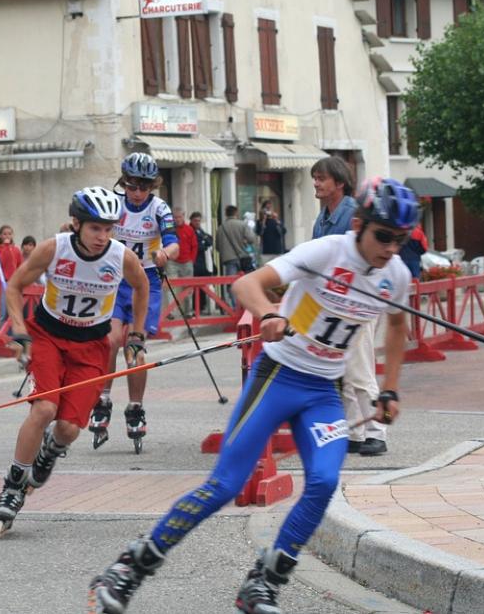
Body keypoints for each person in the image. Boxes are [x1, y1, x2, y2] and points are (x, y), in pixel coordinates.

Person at [89, 177, 418, 614]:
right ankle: (129, 569)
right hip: (279, 376)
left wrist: (389, 387)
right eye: (384, 236)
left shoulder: (395, 274)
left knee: (324, 481)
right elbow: (247, 285)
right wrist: (267, 313)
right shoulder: (327, 252)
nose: (391, 248)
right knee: (225, 485)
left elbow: (396, 325)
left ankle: (263, 584)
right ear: (359, 224)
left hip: (323, 390)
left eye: (400, 240)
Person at [0, 187, 148, 535]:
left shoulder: (121, 257)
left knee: (68, 429)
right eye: (95, 228)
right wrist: (19, 330)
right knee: (45, 408)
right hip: (49, 337)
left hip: (91, 346)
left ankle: (50, 450)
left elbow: (141, 286)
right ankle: (13, 486)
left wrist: (136, 333)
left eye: (108, 229)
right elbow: (14, 286)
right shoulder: (54, 248)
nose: (102, 236)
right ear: (76, 224)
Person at [88, 152, 178, 453]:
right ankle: (102, 399)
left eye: (144, 187)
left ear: (153, 186)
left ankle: (135, 407)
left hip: (146, 280)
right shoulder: (113, 204)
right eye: (132, 186)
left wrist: (165, 254)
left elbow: (173, 243)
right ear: (123, 183)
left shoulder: (159, 208)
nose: (137, 192)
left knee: (134, 347)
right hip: (114, 278)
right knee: (110, 340)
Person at [310, 158, 384, 456]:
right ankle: (354, 431)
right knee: (341, 369)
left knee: (360, 368)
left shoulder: (354, 214)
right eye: (315, 178)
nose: (316, 183)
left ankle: (376, 431)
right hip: (333, 301)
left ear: (339, 183)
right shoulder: (322, 218)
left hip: (358, 299)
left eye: (321, 178)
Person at [216, 205, 259, 281]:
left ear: (226, 214)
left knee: (231, 282)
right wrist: (245, 242)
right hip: (243, 256)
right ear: (236, 213)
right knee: (247, 280)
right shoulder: (242, 224)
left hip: (229, 259)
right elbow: (251, 239)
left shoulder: (221, 228)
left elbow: (218, 247)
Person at [169, 208, 198, 314]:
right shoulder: (169, 230)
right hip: (172, 262)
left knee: (188, 287)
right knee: (170, 287)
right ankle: (171, 312)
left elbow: (194, 246)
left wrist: (191, 260)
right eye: (175, 217)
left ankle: (188, 311)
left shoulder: (189, 229)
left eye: (179, 217)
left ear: (183, 216)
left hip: (186, 262)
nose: (177, 219)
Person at [0, 224, 24, 324]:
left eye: (9, 234)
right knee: (2, 311)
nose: (7, 236)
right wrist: (6, 247)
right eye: (4, 234)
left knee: (13, 311)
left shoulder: (16, 250)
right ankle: (0, 331)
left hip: (13, 283)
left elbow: (20, 265)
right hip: (2, 282)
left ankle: (12, 331)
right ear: (0, 236)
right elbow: (0, 262)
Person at [189, 211, 213, 277]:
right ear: (191, 221)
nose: (197, 222)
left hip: (202, 261)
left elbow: (209, 241)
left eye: (199, 221)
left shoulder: (200, 230)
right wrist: (204, 245)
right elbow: (196, 246)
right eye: (195, 221)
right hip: (194, 261)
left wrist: (204, 243)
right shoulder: (189, 230)